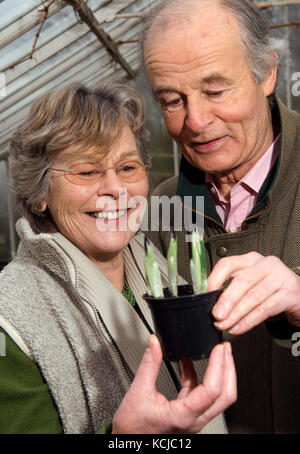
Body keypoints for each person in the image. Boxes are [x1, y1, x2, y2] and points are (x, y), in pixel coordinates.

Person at [0, 81, 236, 434]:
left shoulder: (163, 270)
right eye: (87, 171)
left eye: (127, 168)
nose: (115, 188)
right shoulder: (12, 316)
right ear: (39, 194)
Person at [141, 0, 300, 434]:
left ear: (267, 73)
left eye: (215, 91)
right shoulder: (164, 208)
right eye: (172, 100)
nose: (195, 121)